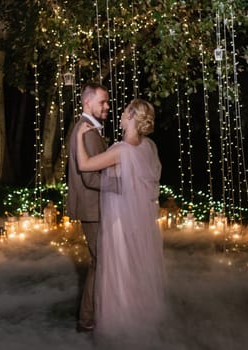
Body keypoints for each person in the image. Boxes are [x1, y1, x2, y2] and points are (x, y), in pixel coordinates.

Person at [76, 98, 164, 340]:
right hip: (140, 220)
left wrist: (78, 137)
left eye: (125, 112)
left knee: (120, 268)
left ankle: (121, 320)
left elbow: (84, 166)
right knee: (135, 265)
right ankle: (137, 314)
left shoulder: (121, 151)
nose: (121, 114)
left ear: (133, 118)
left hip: (120, 220)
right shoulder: (148, 147)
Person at [67, 82, 110, 333]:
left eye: (107, 102)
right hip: (93, 208)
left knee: (99, 261)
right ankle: (87, 320)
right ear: (88, 103)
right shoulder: (88, 132)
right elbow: (91, 178)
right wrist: (123, 185)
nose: (106, 106)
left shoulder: (89, 129)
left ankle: (93, 315)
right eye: (102, 102)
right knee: (100, 262)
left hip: (93, 206)